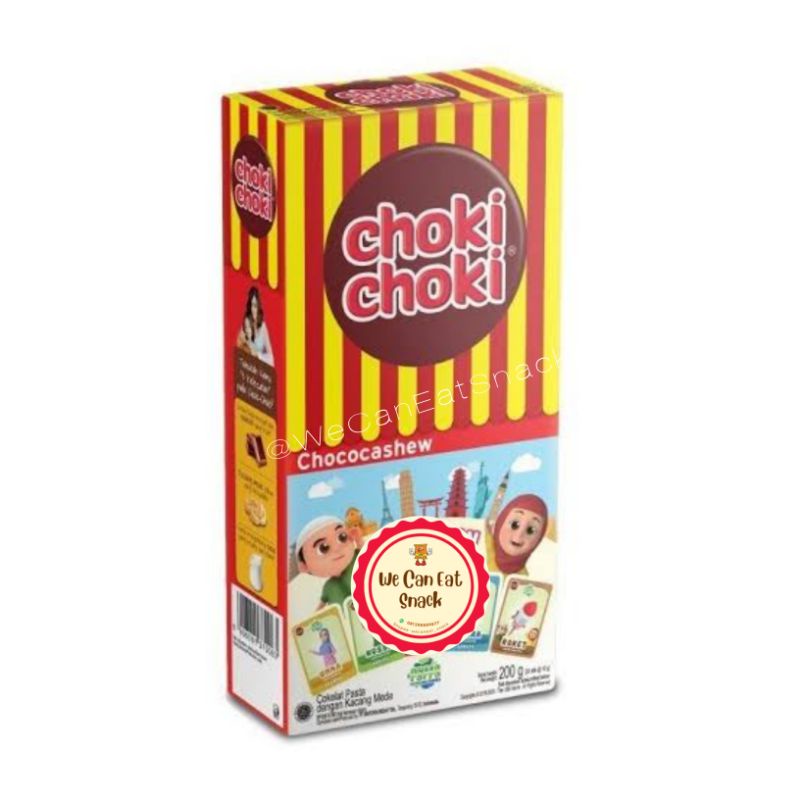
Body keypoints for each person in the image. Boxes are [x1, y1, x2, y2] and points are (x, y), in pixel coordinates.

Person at [296, 516, 363, 609]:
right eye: (323, 548)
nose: (337, 549)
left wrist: (359, 541)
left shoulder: (356, 560)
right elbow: (320, 608)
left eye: (342, 537)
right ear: (304, 566)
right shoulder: (328, 587)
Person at [485, 494, 548, 575]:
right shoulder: (478, 544)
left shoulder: (521, 578)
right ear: (501, 522)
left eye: (530, 530)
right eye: (514, 524)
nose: (518, 536)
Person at [239, 287, 274, 365]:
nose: (253, 309)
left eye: (255, 306)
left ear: (259, 307)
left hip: (259, 367)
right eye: (251, 305)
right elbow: (238, 352)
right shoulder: (246, 323)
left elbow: (271, 358)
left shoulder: (263, 327)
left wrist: (257, 355)